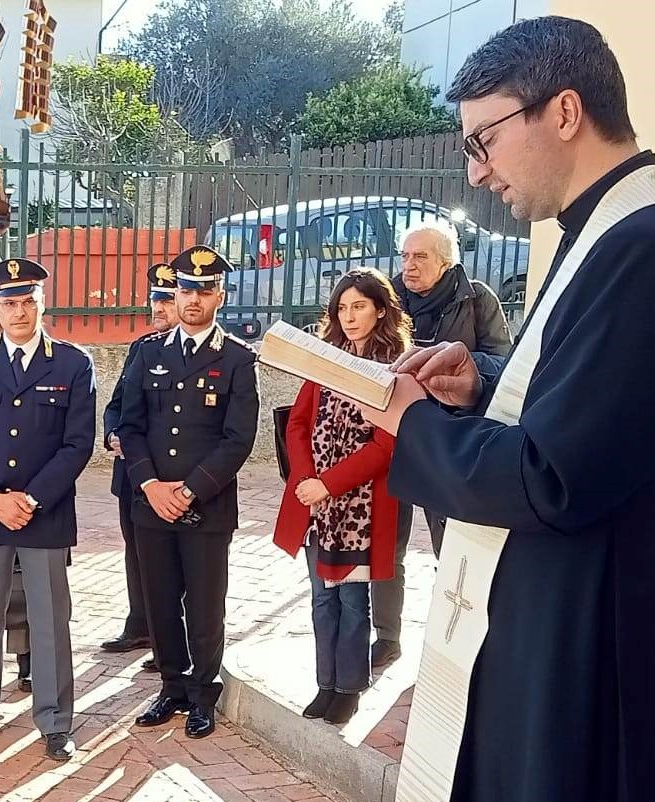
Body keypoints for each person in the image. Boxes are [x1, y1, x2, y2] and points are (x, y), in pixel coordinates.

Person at [357, 18, 655, 802]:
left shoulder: (651, 246)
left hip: (591, 625)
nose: (474, 172)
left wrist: (413, 421)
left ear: (562, 112)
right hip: (557, 600)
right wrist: (483, 382)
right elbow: (587, 397)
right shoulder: (602, 230)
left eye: (483, 139)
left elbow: (554, 475)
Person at [0, 259, 96, 762]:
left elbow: (77, 445)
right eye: (9, 303)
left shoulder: (74, 364)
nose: (19, 312)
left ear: (41, 303)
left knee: (50, 619)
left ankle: (55, 721)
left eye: (27, 301)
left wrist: (30, 499)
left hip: (45, 513)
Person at [115, 245, 259, 740]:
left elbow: (238, 438)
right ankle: (172, 688)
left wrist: (191, 489)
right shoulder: (149, 353)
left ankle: (202, 692)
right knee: (159, 600)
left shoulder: (238, 359)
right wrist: (151, 484)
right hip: (151, 502)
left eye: (203, 289)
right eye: (185, 289)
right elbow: (129, 426)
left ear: (219, 294)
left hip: (207, 505)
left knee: (203, 603)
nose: (192, 299)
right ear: (174, 294)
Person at [368, 220, 514, 671]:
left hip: (448, 438)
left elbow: (503, 361)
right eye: (405, 256)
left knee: (447, 545)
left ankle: (450, 641)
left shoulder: (476, 299)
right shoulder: (388, 297)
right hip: (391, 436)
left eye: (421, 258)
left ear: (446, 261)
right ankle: (387, 637)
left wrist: (451, 357)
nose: (409, 266)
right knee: (386, 542)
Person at [272, 269, 410, 726]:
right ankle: (324, 683)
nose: (349, 317)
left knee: (353, 602)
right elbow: (298, 423)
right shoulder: (328, 359)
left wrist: (330, 483)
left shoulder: (397, 366)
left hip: (363, 505)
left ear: (381, 309)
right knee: (320, 599)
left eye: (359, 307)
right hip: (316, 502)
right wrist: (307, 481)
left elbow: (385, 444)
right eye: (342, 308)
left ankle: (349, 687)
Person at [99, 262, 179, 666]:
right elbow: (117, 403)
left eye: (166, 299)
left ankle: (170, 636)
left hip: (165, 475)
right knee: (136, 549)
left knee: (170, 558)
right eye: (155, 299)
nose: (158, 308)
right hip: (129, 472)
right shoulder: (140, 348)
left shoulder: (189, 354)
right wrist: (112, 432)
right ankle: (141, 623)